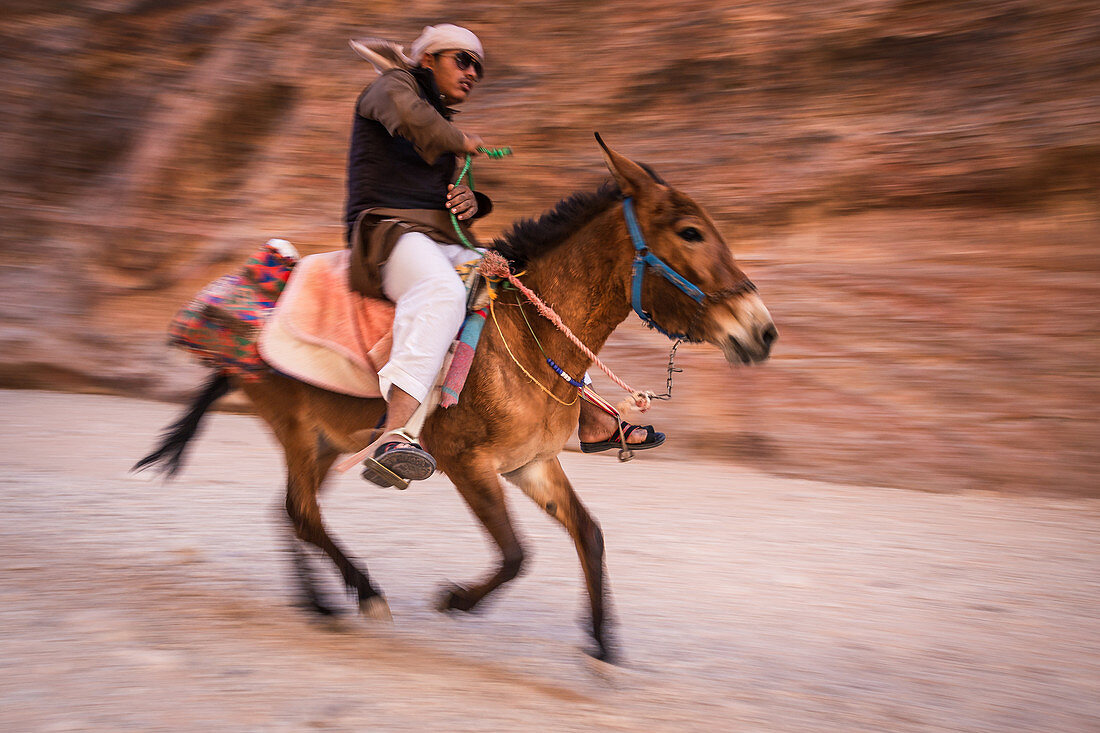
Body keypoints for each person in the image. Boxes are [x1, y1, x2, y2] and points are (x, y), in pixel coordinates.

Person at [345, 24, 664, 486]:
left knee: (523, 292)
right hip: (385, 234)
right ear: (429, 60)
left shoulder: (436, 119)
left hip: (434, 237)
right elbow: (411, 118)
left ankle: (591, 417)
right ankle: (393, 433)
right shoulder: (392, 87)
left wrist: (474, 202)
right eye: (463, 60)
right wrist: (461, 141)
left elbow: (447, 192)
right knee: (439, 293)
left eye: (479, 66)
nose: (473, 72)